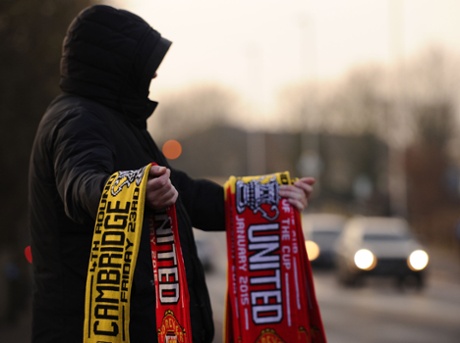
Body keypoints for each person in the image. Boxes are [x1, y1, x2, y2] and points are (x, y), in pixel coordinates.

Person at [28, 5, 315, 343]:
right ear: (118, 66)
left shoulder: (116, 123)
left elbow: (185, 194)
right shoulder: (79, 121)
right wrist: (132, 194)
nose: (154, 76)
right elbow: (80, 184)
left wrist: (265, 197)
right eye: (145, 65)